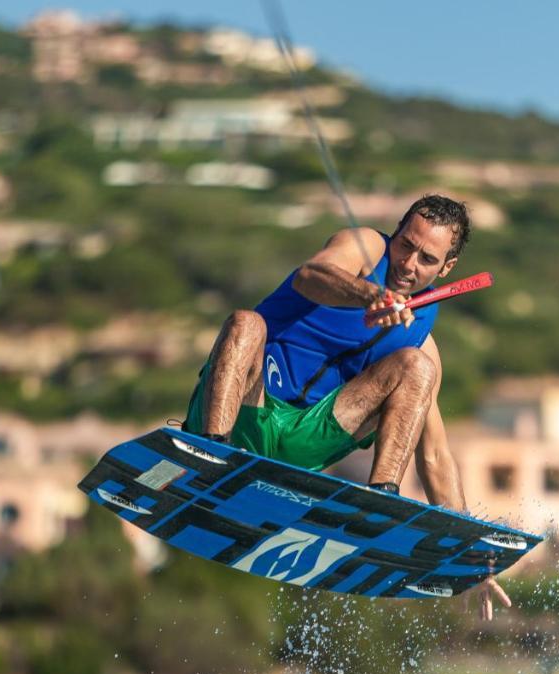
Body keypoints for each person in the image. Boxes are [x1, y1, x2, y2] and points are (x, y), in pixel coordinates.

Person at [182, 194, 511, 619]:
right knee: (246, 322)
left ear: (446, 269)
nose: (409, 264)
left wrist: (466, 554)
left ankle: (380, 502)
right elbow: (311, 275)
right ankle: (211, 457)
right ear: (395, 232)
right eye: (406, 245)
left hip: (308, 437)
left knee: (418, 368)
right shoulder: (364, 248)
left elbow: (434, 454)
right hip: (244, 405)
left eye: (427, 258)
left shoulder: (420, 338)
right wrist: (368, 294)